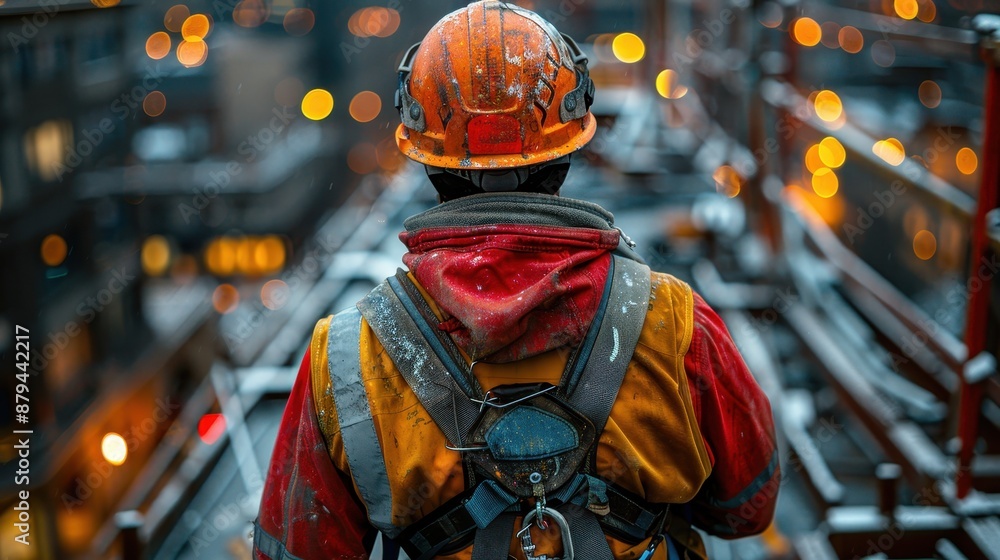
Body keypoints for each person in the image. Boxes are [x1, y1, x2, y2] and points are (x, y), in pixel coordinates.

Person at [254, 2, 778, 559]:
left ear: (425, 157)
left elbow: (299, 548)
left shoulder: (346, 358)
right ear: (569, 151)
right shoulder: (676, 323)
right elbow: (747, 507)